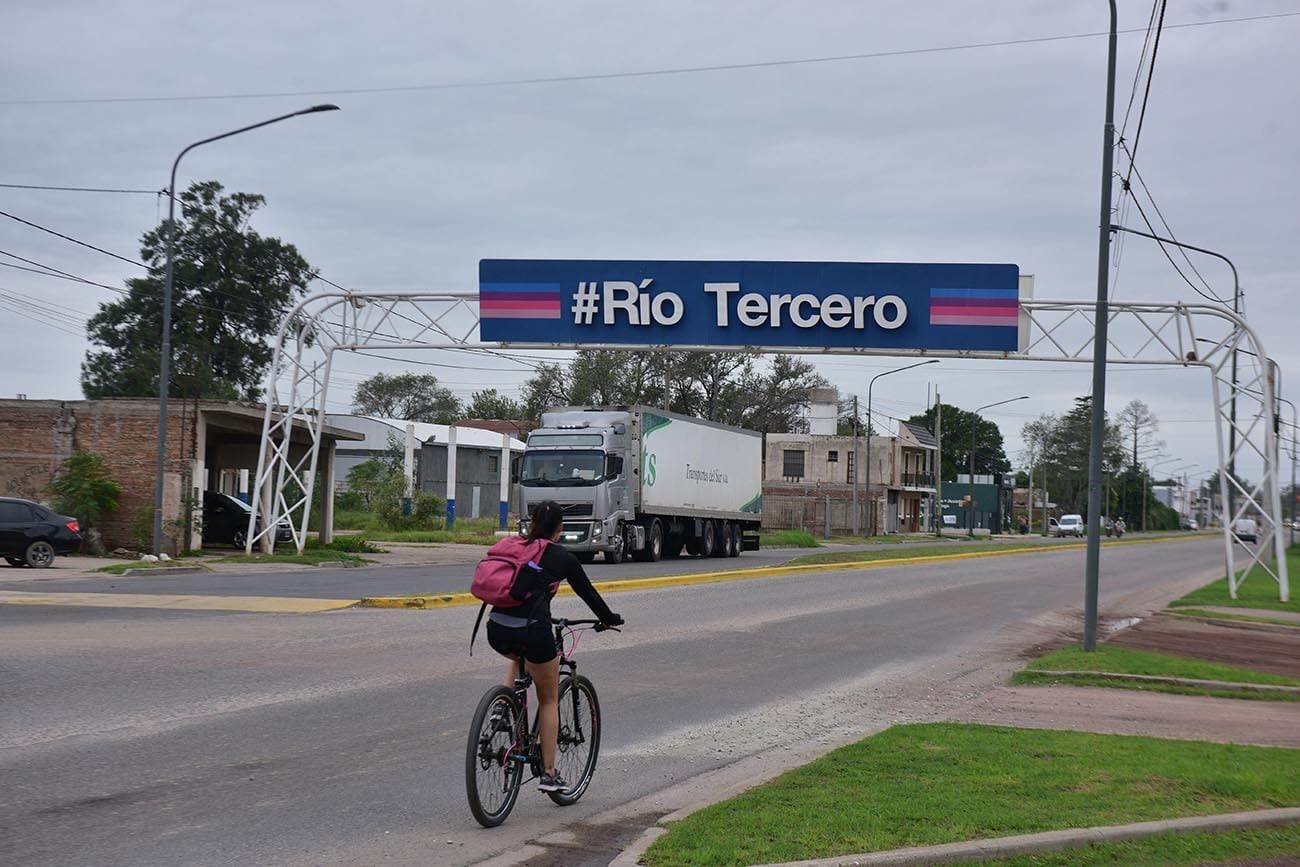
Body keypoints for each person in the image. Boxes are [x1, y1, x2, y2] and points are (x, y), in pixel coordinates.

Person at [485, 500, 623, 793]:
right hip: (533, 632)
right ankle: (549, 772)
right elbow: (589, 594)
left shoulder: (513, 545)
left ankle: (502, 705)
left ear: (531, 523)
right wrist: (609, 619)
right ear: (560, 529)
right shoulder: (561, 557)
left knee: (518, 653)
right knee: (548, 699)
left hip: (496, 628)